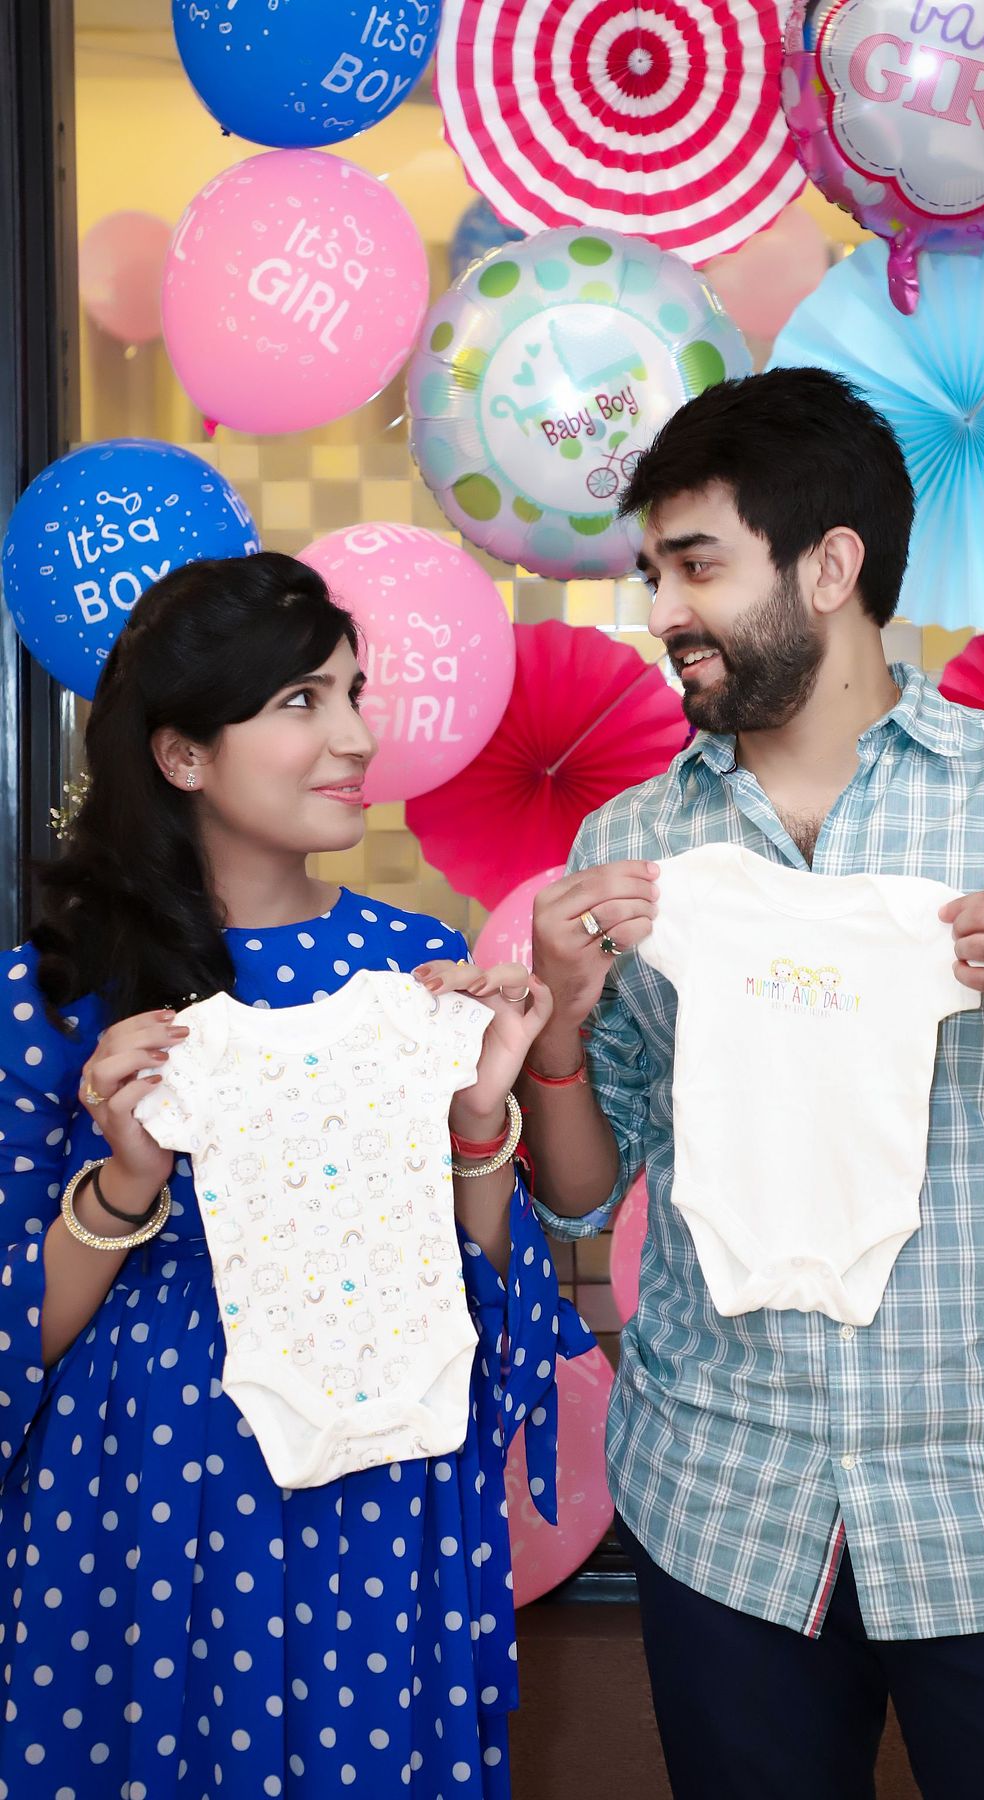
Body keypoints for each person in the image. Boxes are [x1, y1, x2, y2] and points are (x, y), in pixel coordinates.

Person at [519, 368, 984, 1800]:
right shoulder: (638, 845)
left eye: (696, 565)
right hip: (720, 1498)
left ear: (830, 567)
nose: (662, 610)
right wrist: (560, 1030)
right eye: (653, 573)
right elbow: (584, 1192)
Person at [0, 551, 589, 1799]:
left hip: (376, 1479)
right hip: (146, 1484)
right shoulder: (58, 993)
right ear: (182, 754)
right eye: (302, 702)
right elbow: (15, 1333)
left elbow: (480, 1288)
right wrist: (123, 1186)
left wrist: (479, 1119)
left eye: (355, 694)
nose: (359, 738)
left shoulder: (411, 969)